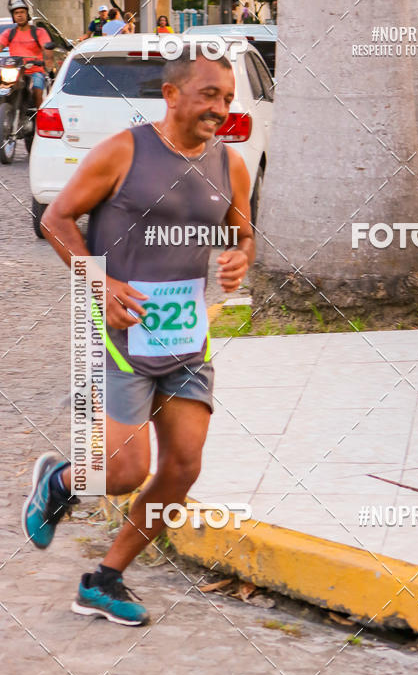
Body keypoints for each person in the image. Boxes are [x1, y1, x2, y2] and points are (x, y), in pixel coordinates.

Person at [22, 45, 254, 627]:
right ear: (171, 94)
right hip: (120, 335)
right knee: (123, 472)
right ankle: (61, 481)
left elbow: (243, 233)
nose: (220, 108)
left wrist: (239, 259)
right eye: (209, 95)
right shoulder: (123, 151)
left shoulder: (231, 164)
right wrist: (101, 284)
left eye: (227, 98)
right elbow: (55, 219)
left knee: (182, 468)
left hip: (186, 338)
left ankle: (104, 580)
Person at [0, 0, 54, 109]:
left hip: (35, 71)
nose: (19, 15)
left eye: (22, 12)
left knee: (37, 90)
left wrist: (47, 61)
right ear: (13, 16)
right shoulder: (9, 33)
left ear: (27, 14)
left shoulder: (39, 32)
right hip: (15, 73)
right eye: (16, 13)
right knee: (3, 90)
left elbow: (47, 48)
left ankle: (40, 116)